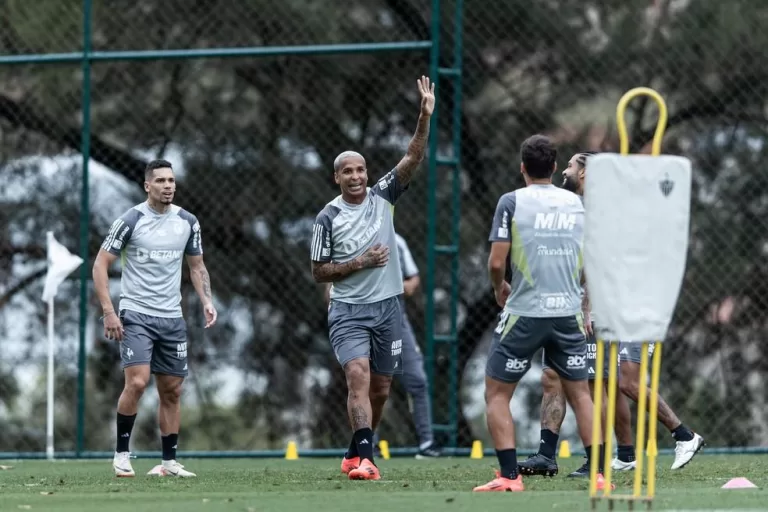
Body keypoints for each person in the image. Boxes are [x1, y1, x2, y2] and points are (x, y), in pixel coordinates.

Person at [518, 151, 704, 479]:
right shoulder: (587, 207)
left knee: (614, 382)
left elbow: (601, 262)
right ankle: (620, 454)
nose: (566, 172)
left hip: (626, 305)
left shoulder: (602, 209)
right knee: (604, 381)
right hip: (611, 303)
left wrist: (588, 306)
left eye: (573, 166)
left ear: (587, 173)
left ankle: (681, 436)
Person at [310, 75, 435, 481]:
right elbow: (318, 272)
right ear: (337, 178)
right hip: (348, 310)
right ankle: (367, 460)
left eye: (361, 169)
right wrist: (360, 262)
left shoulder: (384, 197)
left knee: (381, 389)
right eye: (348, 171)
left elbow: (413, 156)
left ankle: (355, 450)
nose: (357, 176)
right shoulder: (327, 218)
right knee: (358, 375)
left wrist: (423, 116)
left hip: (388, 309)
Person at [473, 136, 611, 492]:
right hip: (567, 315)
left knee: (497, 394)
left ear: (522, 167)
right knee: (581, 393)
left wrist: (498, 286)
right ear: (553, 167)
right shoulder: (578, 205)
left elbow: (496, 261)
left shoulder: (511, 202)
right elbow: (590, 261)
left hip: (525, 313)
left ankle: (508, 477)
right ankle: (599, 474)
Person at [92, 159, 217, 478]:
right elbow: (100, 265)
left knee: (172, 390)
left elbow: (197, 266)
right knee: (137, 381)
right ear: (147, 185)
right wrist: (109, 311)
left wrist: (207, 300)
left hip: (171, 318)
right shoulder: (130, 221)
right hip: (135, 314)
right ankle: (121, 454)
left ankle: (169, 463)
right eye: (160, 180)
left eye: (172, 180)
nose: (168, 186)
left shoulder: (188, 222)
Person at [323, 233, 442, 459]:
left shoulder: (396, 240)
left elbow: (413, 279)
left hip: (395, 317)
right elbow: (328, 286)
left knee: (415, 379)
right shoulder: (346, 238)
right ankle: (368, 447)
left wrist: (404, 287)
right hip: (356, 317)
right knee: (363, 381)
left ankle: (427, 443)